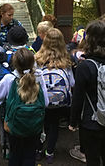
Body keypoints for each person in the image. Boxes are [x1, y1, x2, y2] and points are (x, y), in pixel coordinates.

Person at [69, 20, 105, 166]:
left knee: (93, 158)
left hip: (91, 119)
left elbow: (78, 97)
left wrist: (73, 121)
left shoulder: (86, 66)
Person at [0, 48, 49, 165]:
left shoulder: (9, 79)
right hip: (35, 124)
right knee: (30, 154)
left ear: (14, 64)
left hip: (14, 125)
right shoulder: (39, 77)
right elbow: (46, 102)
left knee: (15, 153)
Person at [34, 28, 75, 163]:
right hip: (58, 101)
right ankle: (50, 152)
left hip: (41, 99)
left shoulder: (38, 59)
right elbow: (72, 82)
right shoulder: (66, 60)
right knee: (53, 125)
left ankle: (38, 150)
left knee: (40, 124)